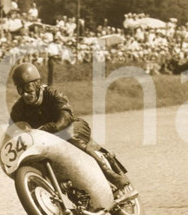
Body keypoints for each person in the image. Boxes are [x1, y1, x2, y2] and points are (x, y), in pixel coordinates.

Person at [8, 62, 136, 203]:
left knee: (69, 138)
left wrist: (48, 128)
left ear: (37, 84)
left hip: (71, 127)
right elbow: (13, 131)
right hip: (46, 141)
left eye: (28, 87)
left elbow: (65, 117)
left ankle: (114, 177)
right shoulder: (18, 109)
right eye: (21, 90)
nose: (26, 93)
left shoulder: (53, 94)